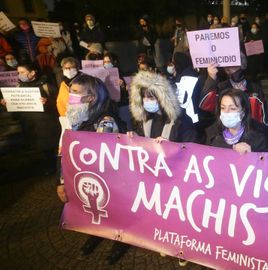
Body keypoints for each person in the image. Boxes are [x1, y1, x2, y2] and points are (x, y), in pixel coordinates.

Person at [55, 74, 129, 265]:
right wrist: (61, 182)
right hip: (87, 180)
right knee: (95, 212)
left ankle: (120, 239)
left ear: (92, 97)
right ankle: (96, 233)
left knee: (114, 212)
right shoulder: (75, 118)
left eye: (76, 92)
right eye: (71, 91)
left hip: (110, 183)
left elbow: (104, 163)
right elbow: (64, 152)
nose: (71, 95)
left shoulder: (105, 122)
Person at [0, 62, 60, 175]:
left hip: (48, 123)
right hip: (31, 124)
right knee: (42, 148)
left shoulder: (46, 85)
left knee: (53, 146)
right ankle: (50, 165)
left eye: (22, 72)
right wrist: (8, 104)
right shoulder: (18, 87)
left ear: (32, 72)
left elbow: (59, 103)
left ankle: (59, 168)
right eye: (18, 72)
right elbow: (18, 110)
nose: (19, 75)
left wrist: (48, 102)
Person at [129, 71, 198, 142]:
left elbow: (191, 147)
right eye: (144, 97)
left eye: (151, 98)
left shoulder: (181, 120)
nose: (146, 101)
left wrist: (170, 146)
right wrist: (136, 137)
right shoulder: (143, 120)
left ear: (162, 98)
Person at [201, 53, 268, 126]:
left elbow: (263, 114)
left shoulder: (254, 88)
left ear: (242, 66)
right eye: (227, 66)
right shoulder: (221, 87)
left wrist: (263, 131)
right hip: (226, 130)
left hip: (251, 131)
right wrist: (211, 78)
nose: (229, 68)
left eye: (233, 65)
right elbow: (205, 104)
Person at [205, 88, 268, 153]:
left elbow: (262, 160)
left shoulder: (258, 137)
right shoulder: (212, 132)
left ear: (243, 112)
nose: (226, 112)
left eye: (232, 108)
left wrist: (251, 155)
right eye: (223, 108)